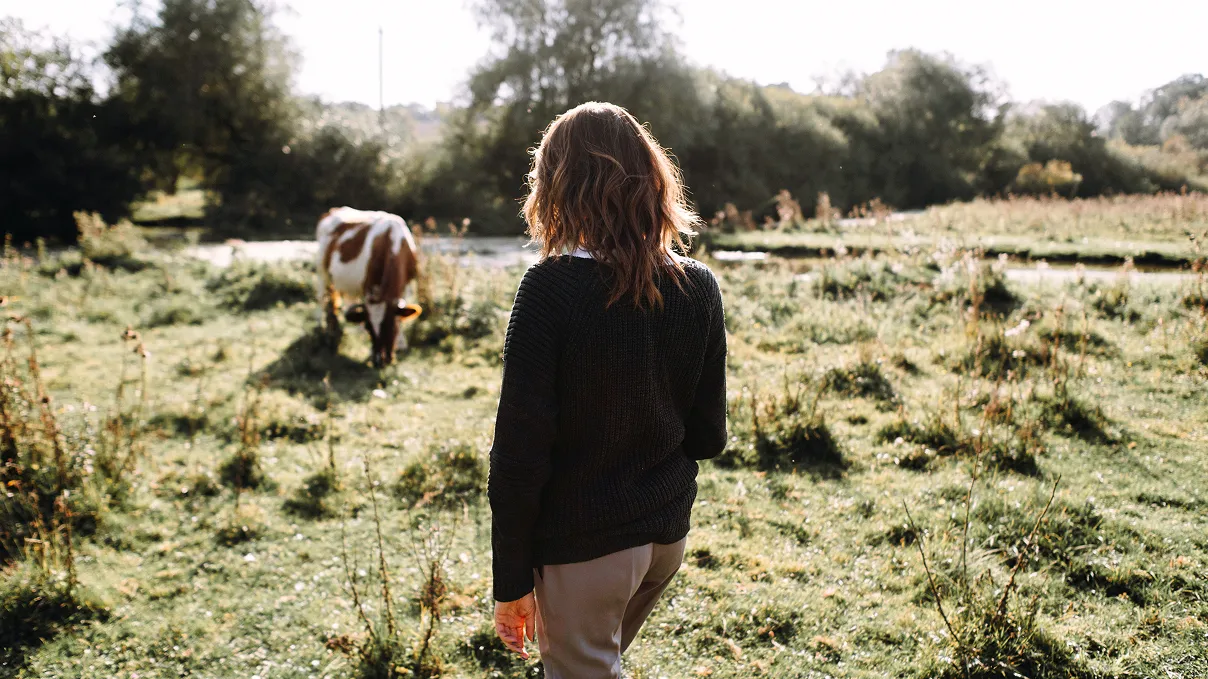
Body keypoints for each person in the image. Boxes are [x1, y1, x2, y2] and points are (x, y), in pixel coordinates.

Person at [488, 101, 728, 678]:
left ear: (556, 187)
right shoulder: (699, 285)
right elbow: (708, 437)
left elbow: (519, 454)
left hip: (586, 546)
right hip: (664, 539)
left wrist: (512, 581)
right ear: (651, 179)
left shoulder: (549, 290)